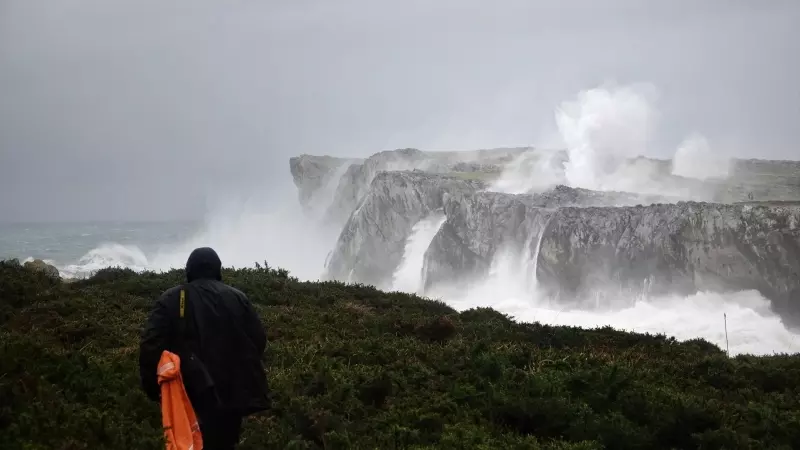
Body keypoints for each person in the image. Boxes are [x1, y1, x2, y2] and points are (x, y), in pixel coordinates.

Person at [139, 247, 270, 449]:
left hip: (187, 394)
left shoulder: (172, 298)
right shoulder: (238, 297)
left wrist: (154, 390)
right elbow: (258, 340)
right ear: (218, 270)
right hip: (230, 396)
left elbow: (150, 347)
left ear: (189, 270)